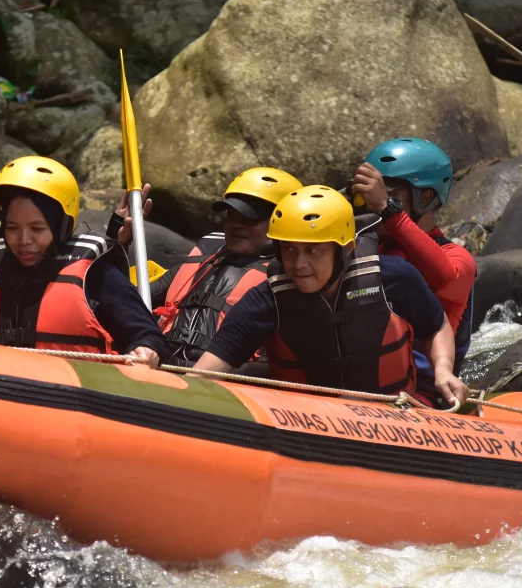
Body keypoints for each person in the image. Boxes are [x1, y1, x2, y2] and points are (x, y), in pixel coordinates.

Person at [192, 185, 469, 408]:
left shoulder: (393, 277)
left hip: (393, 414)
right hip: (309, 422)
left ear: (345, 249)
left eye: (313, 251)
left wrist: (444, 369)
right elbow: (208, 369)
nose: (298, 264)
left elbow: (436, 325)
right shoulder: (267, 299)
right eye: (289, 250)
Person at [0, 156, 168, 366]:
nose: (24, 240)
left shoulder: (97, 274)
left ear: (61, 226)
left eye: (37, 229)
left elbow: (151, 337)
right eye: (12, 228)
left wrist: (147, 350)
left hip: (77, 392)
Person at [109, 168, 303, 366]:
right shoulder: (201, 262)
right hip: (162, 370)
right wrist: (117, 241)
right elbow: (120, 302)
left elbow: (269, 368)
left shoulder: (289, 280)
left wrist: (188, 372)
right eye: (232, 215)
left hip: (222, 385)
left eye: (251, 218)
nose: (236, 225)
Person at [352, 138, 476, 382]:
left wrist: (388, 211)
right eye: (368, 193)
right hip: (360, 383)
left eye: (387, 191)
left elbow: (447, 278)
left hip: (421, 393)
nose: (371, 204)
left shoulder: (457, 256)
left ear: (425, 198)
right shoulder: (363, 246)